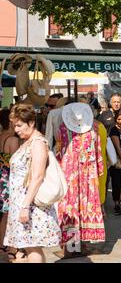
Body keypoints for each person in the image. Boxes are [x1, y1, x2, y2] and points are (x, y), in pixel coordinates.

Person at [4, 104, 61, 263]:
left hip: (31, 205)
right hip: (23, 203)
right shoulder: (28, 141)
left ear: (31, 123)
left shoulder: (37, 143)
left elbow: (38, 176)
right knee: (29, 247)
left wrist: (25, 206)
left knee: (32, 246)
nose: (16, 129)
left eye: (19, 125)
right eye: (14, 125)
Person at [55, 102, 105, 258]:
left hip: (69, 174)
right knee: (85, 207)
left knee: (71, 207)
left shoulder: (63, 129)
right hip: (88, 175)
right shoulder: (94, 129)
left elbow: (59, 150)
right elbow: (97, 153)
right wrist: (98, 170)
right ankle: (80, 244)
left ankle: (72, 247)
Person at [0, 109, 20, 261]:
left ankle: (2, 244)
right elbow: (16, 164)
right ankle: (12, 247)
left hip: (1, 179)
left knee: (5, 215)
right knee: (11, 215)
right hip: (10, 180)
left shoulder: (1, 137)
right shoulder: (12, 140)